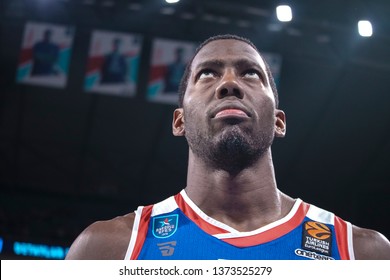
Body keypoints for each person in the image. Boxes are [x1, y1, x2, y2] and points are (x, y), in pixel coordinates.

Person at [66, 34, 390, 260]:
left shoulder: (362, 254)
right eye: (207, 73)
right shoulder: (108, 249)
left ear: (279, 122)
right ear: (179, 121)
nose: (229, 83)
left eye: (251, 73)